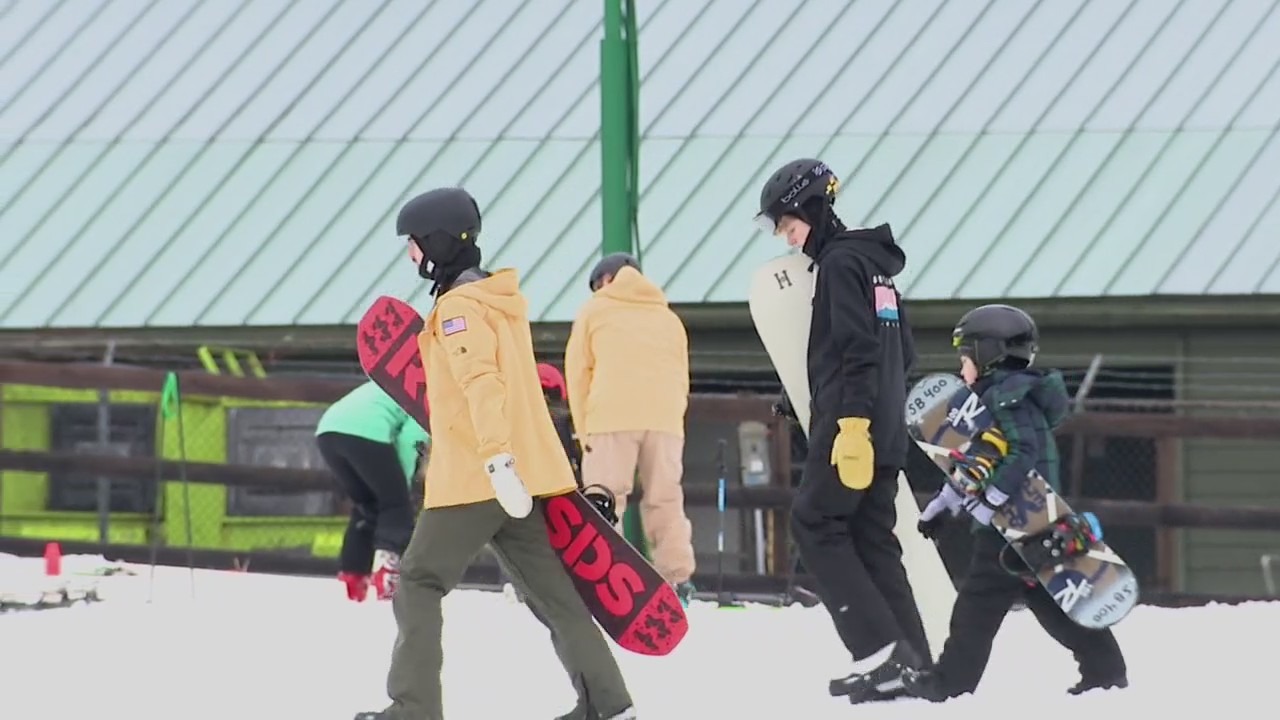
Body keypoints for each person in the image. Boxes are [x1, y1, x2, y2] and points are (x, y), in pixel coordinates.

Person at [355, 187, 635, 720]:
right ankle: (609, 704)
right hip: (523, 476)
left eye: (413, 245)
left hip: (477, 476)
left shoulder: (459, 309)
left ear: (437, 240)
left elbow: (482, 383)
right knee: (553, 596)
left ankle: (412, 708)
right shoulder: (497, 301)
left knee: (417, 580)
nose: (411, 256)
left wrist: (494, 457)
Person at [752, 158, 931, 703]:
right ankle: (915, 664)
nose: (787, 237)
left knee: (815, 522)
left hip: (854, 428)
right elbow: (901, 351)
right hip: (885, 424)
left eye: (788, 224)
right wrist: (805, 392)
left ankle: (881, 652)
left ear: (811, 207)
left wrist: (850, 421)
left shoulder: (838, 265)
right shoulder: (872, 265)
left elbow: (856, 349)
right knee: (872, 540)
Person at [900, 304, 1129, 701]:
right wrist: (945, 504)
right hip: (1030, 521)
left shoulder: (1009, 398)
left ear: (987, 353)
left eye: (965, 357)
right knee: (1051, 600)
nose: (962, 368)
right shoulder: (996, 398)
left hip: (1010, 524)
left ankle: (949, 683)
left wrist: (990, 500)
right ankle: (1105, 671)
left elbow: (1020, 453)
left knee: (976, 606)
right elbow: (974, 463)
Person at [564, 252, 696, 603]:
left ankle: (605, 578)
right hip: (665, 421)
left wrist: (584, 430)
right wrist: (673, 417)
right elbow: (683, 377)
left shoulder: (594, 310)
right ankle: (678, 580)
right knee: (665, 499)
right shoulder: (669, 318)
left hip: (611, 416)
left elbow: (578, 374)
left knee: (605, 498)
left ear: (606, 279)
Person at [315, 380, 429, 602]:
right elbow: (410, 440)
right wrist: (400, 485)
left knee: (367, 505)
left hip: (328, 431)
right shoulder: (430, 392)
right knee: (395, 505)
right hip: (365, 431)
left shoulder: (394, 375)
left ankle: (353, 575)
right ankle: (388, 574)